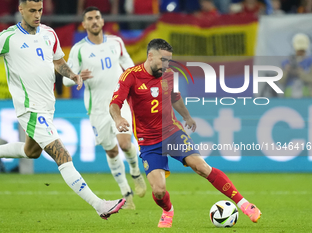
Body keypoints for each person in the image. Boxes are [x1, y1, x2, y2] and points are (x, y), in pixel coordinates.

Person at [0, 0, 125, 220]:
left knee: (30, 151)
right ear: (21, 9)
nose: (37, 15)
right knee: (62, 155)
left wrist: (73, 75)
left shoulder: (49, 33)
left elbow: (57, 61)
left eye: (40, 10)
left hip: (47, 106)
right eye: (32, 10)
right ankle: (99, 205)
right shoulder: (8, 37)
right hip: (29, 108)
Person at [109, 38, 262, 228]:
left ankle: (245, 205)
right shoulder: (130, 76)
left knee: (201, 167)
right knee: (158, 191)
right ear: (150, 56)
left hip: (172, 133)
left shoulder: (169, 74)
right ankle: (168, 210)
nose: (166, 65)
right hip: (148, 142)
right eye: (163, 60)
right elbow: (115, 103)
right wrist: (118, 119)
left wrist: (187, 117)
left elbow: (175, 97)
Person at [63, 6, 147, 210]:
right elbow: (66, 81)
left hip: (120, 103)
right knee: (110, 151)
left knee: (125, 143)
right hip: (97, 109)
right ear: (84, 24)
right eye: (89, 18)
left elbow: (130, 68)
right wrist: (76, 77)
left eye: (97, 17)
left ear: (102, 21)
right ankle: (126, 193)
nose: (94, 21)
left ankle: (136, 172)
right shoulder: (78, 49)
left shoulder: (116, 43)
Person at [280, 33, 312, 98]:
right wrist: (286, 71)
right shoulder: (287, 62)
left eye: (302, 50)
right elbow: (280, 80)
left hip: (306, 94)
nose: (300, 52)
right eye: (298, 50)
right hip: (289, 95)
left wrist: (301, 73)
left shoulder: (310, 61)